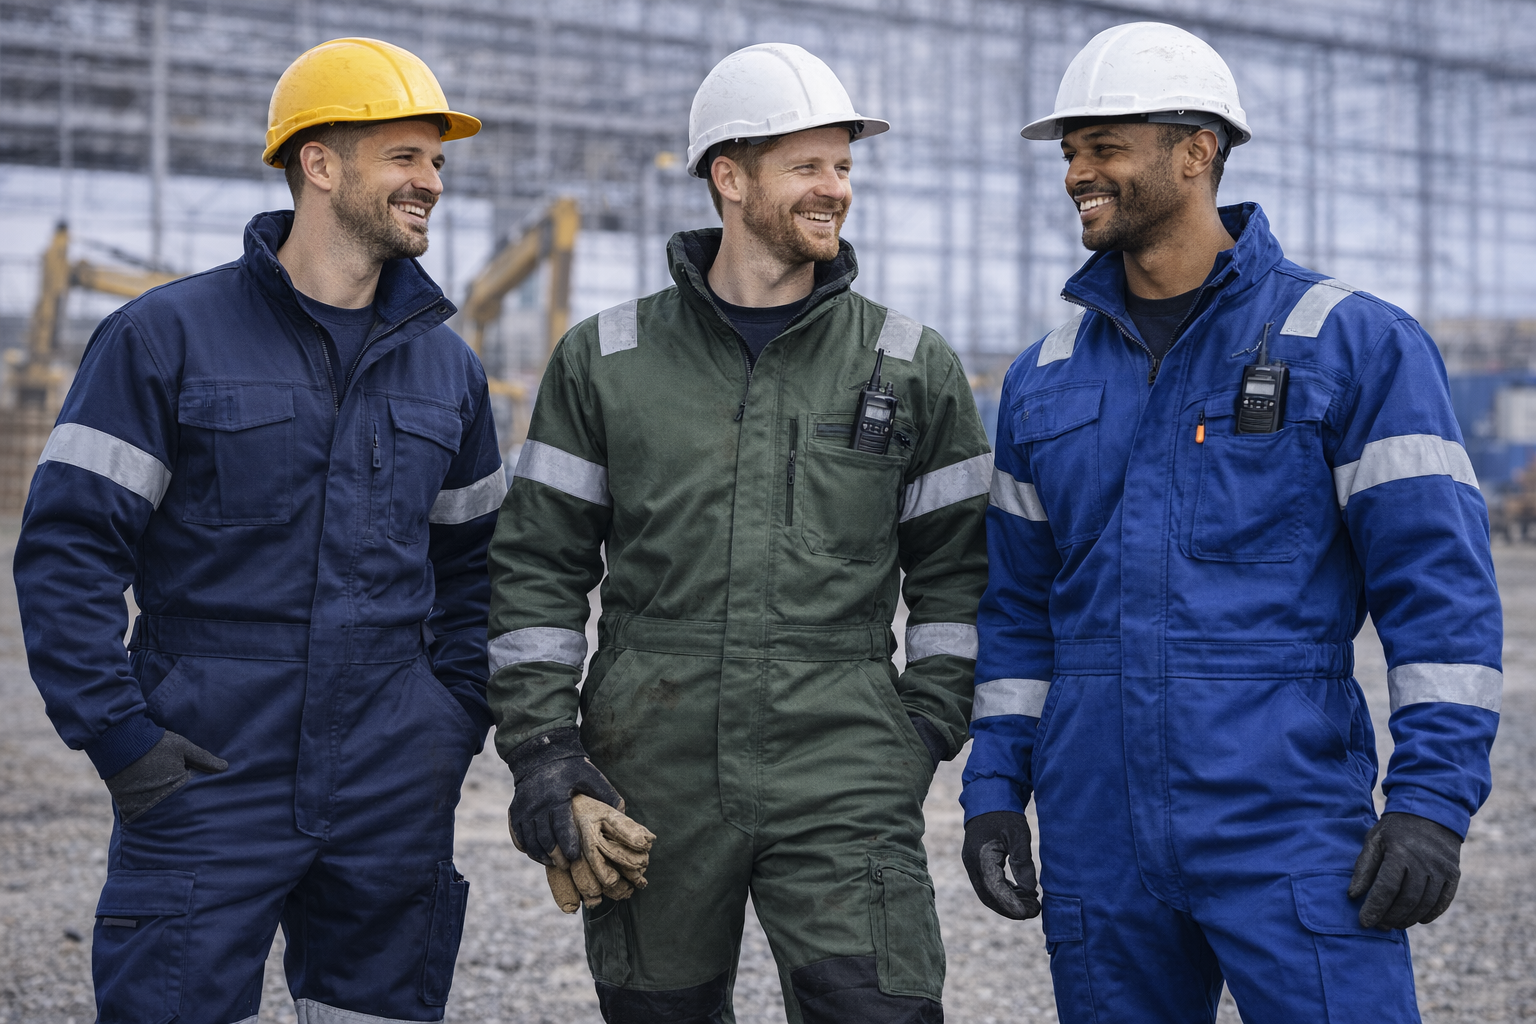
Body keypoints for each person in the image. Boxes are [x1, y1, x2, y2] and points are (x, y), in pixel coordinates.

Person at [961, 21, 1502, 1024]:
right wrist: (996, 785)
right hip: (1098, 835)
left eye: (1104, 146)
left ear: (1195, 151)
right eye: (1071, 151)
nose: (1078, 170)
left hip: (1285, 827)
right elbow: (1021, 611)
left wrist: (1432, 803)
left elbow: (1440, 594)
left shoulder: (1351, 343)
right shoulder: (1043, 379)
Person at [487, 42, 991, 1024]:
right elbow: (537, 568)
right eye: (808, 166)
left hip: (846, 759)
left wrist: (924, 725)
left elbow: (960, 574)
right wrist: (545, 750)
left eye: (843, 167)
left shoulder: (909, 364)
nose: (835, 190)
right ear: (730, 176)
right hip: (649, 765)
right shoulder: (607, 361)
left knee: (880, 1009)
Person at [13, 37, 500, 1024]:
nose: (431, 183)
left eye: (437, 162)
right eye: (406, 156)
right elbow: (67, 549)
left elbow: (478, 568)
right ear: (319, 162)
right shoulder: (163, 339)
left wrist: (449, 720)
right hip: (206, 770)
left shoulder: (449, 372)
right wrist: (122, 736)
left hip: (390, 780)